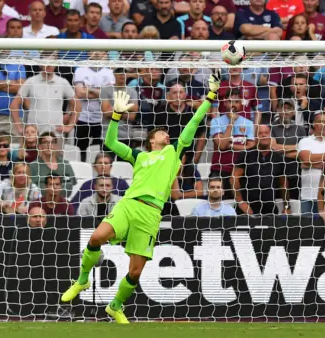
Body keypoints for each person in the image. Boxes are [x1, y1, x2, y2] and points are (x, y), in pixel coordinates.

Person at [60, 69, 221, 323]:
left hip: (151, 213)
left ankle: (115, 306)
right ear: (151, 140)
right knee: (96, 237)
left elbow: (193, 124)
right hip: (129, 205)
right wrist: (115, 115)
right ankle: (81, 280)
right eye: (161, 133)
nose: (166, 135)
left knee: (135, 272)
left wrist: (210, 96)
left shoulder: (174, 153)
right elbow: (111, 143)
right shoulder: (139, 156)